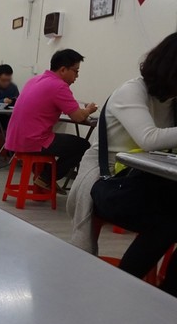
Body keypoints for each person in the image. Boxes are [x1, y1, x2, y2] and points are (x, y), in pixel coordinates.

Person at [68, 33, 177, 297]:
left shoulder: (172, 101)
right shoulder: (132, 91)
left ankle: (166, 294)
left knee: (171, 216)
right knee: (169, 221)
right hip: (108, 181)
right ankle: (126, 287)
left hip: (147, 182)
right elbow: (149, 138)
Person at [5, 49, 97, 191]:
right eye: (76, 71)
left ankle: (43, 179)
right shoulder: (59, 86)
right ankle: (46, 179)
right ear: (63, 70)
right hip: (33, 141)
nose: (77, 76)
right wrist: (89, 109)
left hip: (14, 138)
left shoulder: (34, 80)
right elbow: (78, 117)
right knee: (82, 145)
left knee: (60, 143)